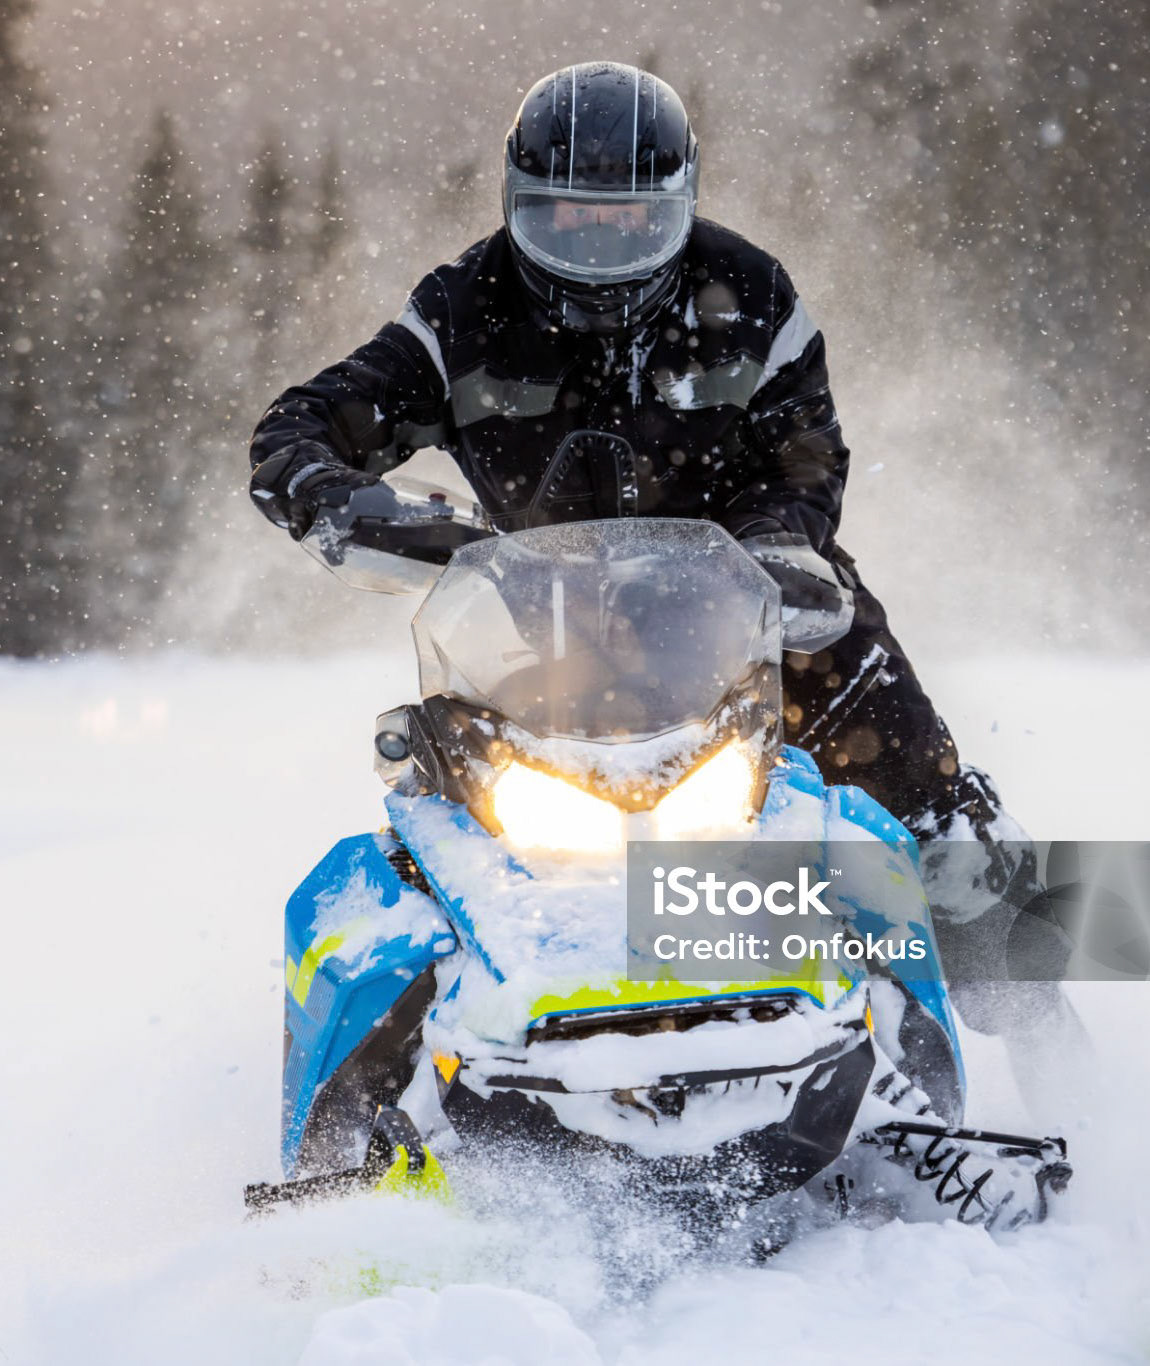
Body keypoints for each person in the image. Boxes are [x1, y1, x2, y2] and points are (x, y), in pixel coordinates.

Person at [248, 61, 1085, 1097]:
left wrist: (780, 547)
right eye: (564, 219)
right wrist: (341, 499)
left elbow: (807, 458)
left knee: (926, 808)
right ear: (514, 202)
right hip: (544, 626)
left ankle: (1043, 1045)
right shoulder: (459, 311)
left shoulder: (754, 300)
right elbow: (301, 423)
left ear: (680, 208)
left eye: (628, 223)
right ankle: (433, 1063)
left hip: (748, 605)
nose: (596, 248)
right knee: (483, 828)